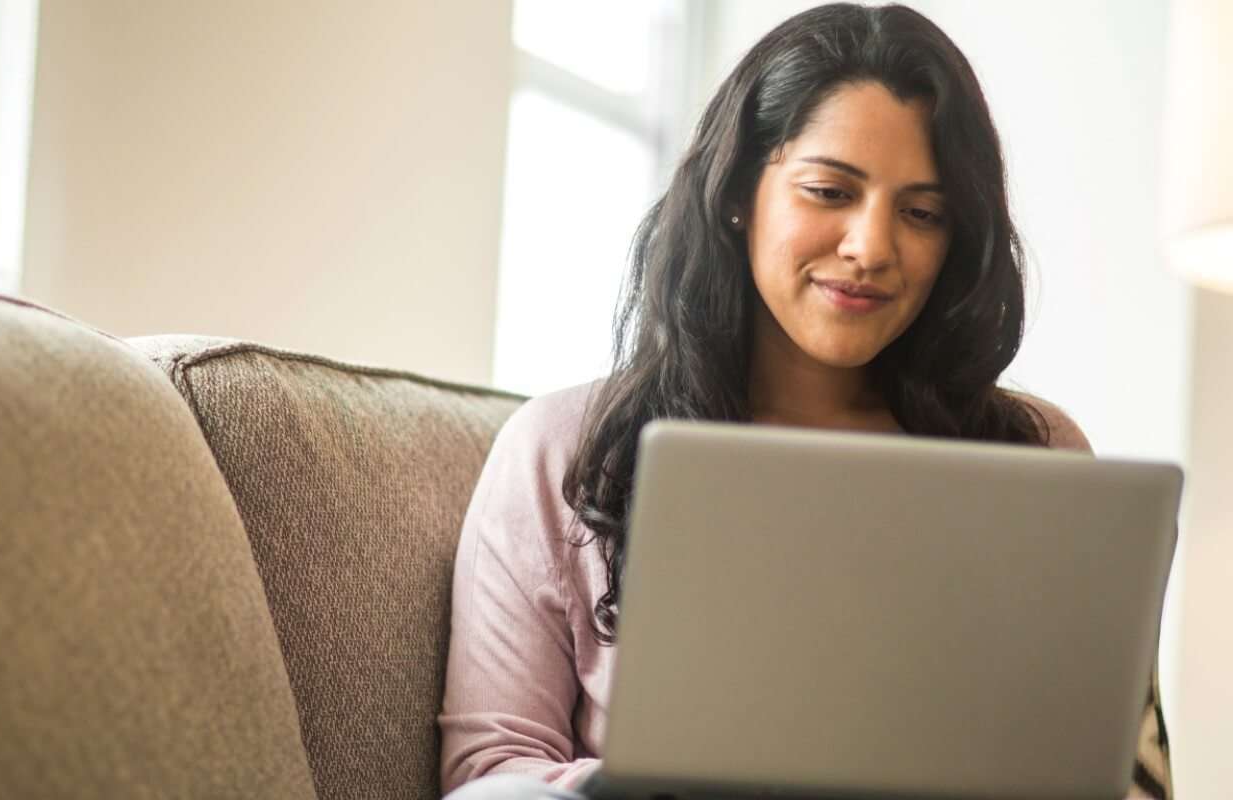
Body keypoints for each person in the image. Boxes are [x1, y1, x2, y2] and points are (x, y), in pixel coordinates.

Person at [436, 4, 1174, 799]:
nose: (871, 247)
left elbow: (1130, 775)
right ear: (738, 193)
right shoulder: (565, 450)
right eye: (829, 190)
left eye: (923, 214)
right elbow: (490, 775)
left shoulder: (1039, 459)